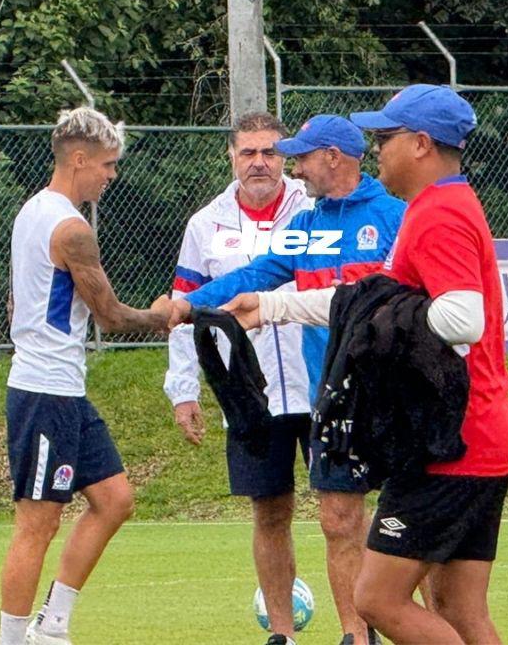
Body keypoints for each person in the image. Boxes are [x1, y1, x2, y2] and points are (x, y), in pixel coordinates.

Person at [222, 85, 508, 644]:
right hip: (481, 436)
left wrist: (385, 328)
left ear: (421, 145)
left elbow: (462, 319)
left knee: (376, 598)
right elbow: (367, 300)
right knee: (461, 609)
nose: (376, 148)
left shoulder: (437, 215)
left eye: (386, 137)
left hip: (453, 443)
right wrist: (270, 305)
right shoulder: (440, 207)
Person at [169, 114, 406, 645]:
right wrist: (190, 303)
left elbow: (398, 302)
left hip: (388, 394)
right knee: (336, 515)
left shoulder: (394, 218)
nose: (292, 167)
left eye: (298, 156)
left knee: (403, 517)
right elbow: (259, 275)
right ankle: (351, 636)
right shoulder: (309, 227)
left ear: (333, 158)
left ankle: (384, 627)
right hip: (332, 393)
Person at [0, 107, 172, 645]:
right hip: (43, 391)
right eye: (107, 164)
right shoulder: (72, 229)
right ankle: (11, 639)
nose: (111, 175)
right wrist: (166, 316)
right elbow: (112, 316)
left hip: (64, 389)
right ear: (79, 159)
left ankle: (52, 626)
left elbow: (14, 301)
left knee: (115, 499)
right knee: (37, 523)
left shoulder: (32, 212)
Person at [164, 112, 313, 645]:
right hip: (249, 395)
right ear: (230, 157)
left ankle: (358, 630)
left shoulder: (313, 209)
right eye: (248, 152)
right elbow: (185, 315)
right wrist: (183, 390)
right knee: (269, 510)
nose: (259, 162)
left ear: (285, 158)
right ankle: (281, 634)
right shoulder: (206, 224)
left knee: (345, 508)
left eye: (270, 152)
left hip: (320, 381)